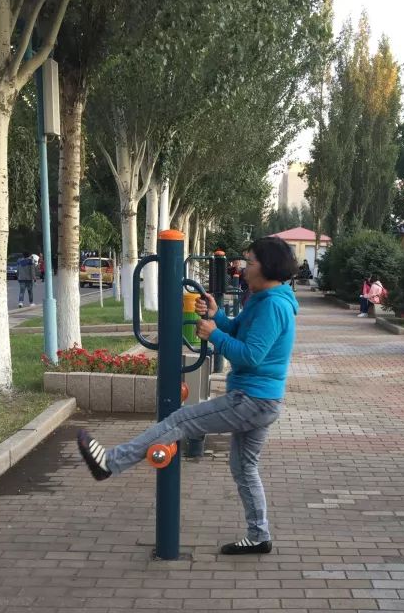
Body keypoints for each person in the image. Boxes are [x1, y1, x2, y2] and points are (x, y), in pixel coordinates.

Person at [76, 236, 299, 555]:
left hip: (252, 399)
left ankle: (110, 463)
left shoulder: (273, 306)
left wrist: (214, 334)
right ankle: (259, 535)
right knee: (243, 467)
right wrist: (217, 317)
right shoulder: (263, 298)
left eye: (249, 262)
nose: (243, 268)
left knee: (179, 420)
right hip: (261, 400)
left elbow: (251, 355)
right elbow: (239, 331)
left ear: (268, 267)